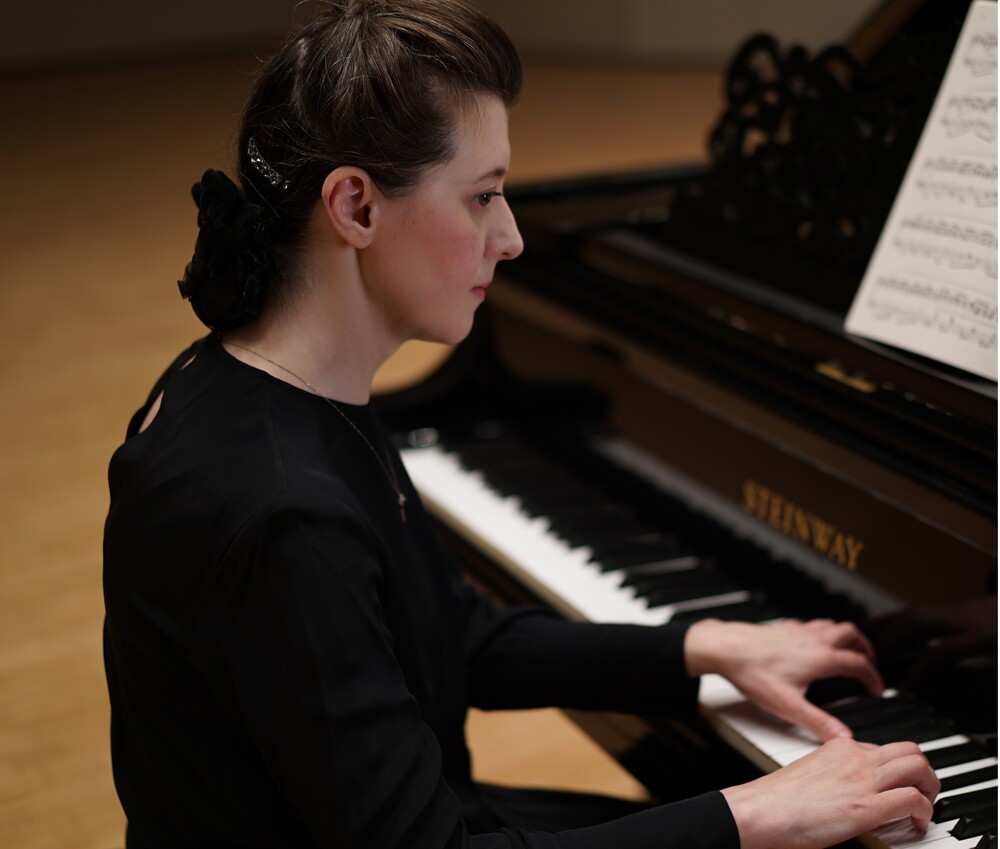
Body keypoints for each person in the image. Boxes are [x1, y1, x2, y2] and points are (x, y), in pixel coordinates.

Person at [101, 1, 940, 847]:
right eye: (482, 196)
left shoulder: (263, 381)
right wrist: (756, 809)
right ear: (355, 206)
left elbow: (449, 631)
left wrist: (703, 647)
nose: (510, 238)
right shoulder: (284, 511)